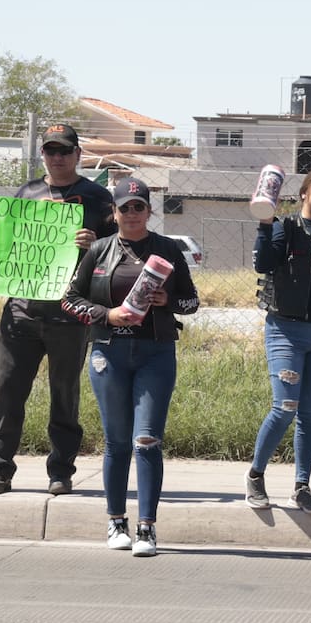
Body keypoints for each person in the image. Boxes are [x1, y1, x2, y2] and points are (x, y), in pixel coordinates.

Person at [0, 123, 116, 496]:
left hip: (70, 314)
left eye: (64, 151)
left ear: (78, 155)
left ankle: (61, 471)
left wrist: (95, 242)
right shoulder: (27, 192)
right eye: (50, 151)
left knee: (64, 396)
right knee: (7, 393)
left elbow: (117, 252)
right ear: (42, 155)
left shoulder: (98, 197)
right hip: (20, 311)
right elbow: (2, 243)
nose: (57, 158)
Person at [62, 178, 199, 557]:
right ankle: (116, 521)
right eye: (125, 207)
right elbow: (70, 300)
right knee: (117, 442)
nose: (132, 214)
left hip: (155, 354)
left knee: (147, 441)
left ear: (149, 211)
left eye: (139, 206)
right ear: (114, 212)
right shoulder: (99, 251)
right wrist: (108, 314)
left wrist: (166, 299)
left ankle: (147, 529)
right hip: (109, 353)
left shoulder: (168, 249)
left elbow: (192, 303)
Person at [247, 168, 311, 514]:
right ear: (304, 193)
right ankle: (256, 475)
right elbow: (263, 262)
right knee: (285, 407)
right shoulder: (287, 227)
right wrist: (264, 223)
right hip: (286, 331)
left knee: (310, 412)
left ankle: (301, 487)